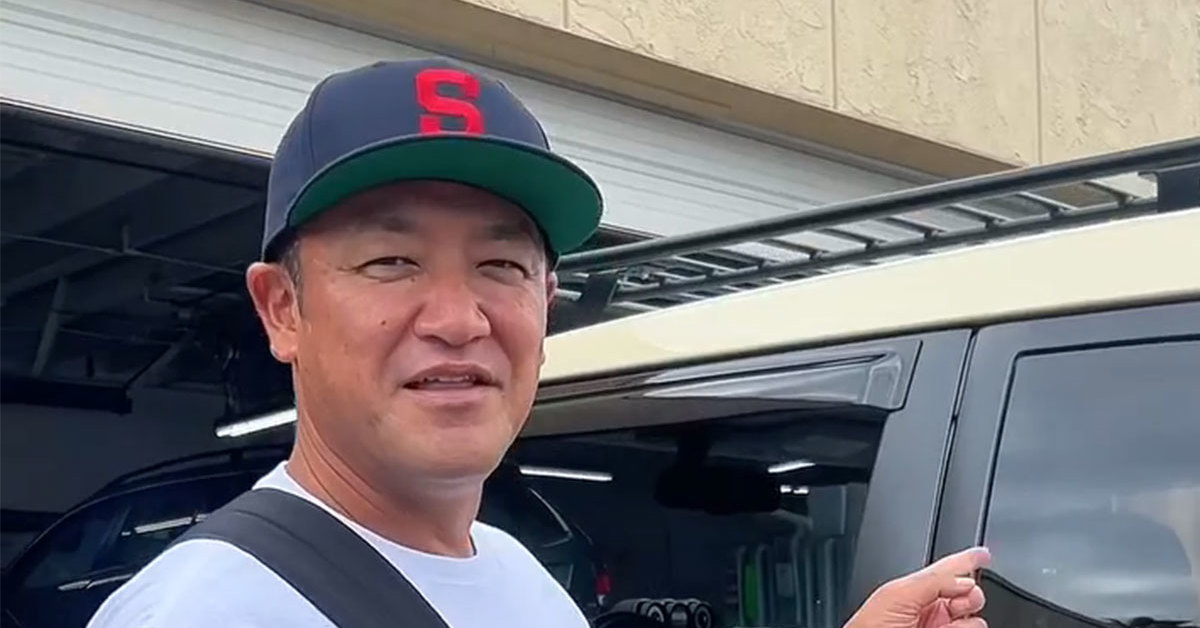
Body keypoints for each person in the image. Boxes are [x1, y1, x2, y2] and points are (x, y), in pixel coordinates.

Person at [86, 58, 990, 628]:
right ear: (283, 307)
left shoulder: (516, 574)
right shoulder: (212, 610)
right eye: (393, 261)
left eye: (501, 266)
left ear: (546, 304)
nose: (458, 318)